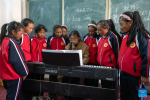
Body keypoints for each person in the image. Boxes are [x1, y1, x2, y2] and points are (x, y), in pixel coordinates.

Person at [118, 11, 150, 100]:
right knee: (124, 95)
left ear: (130, 22)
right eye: (119, 24)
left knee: (138, 96)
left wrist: (146, 75)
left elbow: (147, 56)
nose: (120, 27)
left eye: (122, 24)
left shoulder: (141, 35)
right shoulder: (126, 36)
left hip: (136, 76)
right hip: (124, 73)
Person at [0, 21, 29, 100]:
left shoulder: (4, 40)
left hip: (6, 75)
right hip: (14, 75)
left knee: (11, 94)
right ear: (13, 32)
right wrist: (24, 72)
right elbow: (17, 60)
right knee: (13, 97)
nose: (21, 35)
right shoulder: (12, 42)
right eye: (21, 33)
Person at [63, 30, 89, 100]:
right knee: (66, 79)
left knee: (75, 80)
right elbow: (65, 58)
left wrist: (79, 63)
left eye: (75, 39)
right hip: (69, 69)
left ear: (79, 38)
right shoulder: (68, 46)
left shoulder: (84, 46)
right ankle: (68, 96)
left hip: (79, 68)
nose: (73, 41)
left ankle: (77, 96)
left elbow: (86, 58)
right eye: (71, 39)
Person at [97, 19, 121, 89]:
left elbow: (117, 52)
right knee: (104, 85)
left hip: (111, 67)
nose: (99, 32)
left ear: (107, 28)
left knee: (110, 87)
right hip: (102, 66)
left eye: (100, 30)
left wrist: (116, 65)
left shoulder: (113, 37)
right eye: (98, 30)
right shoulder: (101, 37)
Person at [30, 24, 47, 100]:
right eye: (40, 32)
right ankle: (34, 95)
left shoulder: (45, 40)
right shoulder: (31, 39)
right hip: (32, 63)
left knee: (41, 80)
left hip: (41, 63)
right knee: (33, 80)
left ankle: (40, 95)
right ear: (36, 32)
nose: (42, 34)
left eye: (43, 32)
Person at [83, 20, 98, 87]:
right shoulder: (85, 37)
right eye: (89, 31)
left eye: (92, 31)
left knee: (94, 78)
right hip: (86, 61)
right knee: (87, 77)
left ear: (95, 30)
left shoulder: (98, 38)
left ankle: (94, 94)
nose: (91, 32)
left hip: (95, 62)